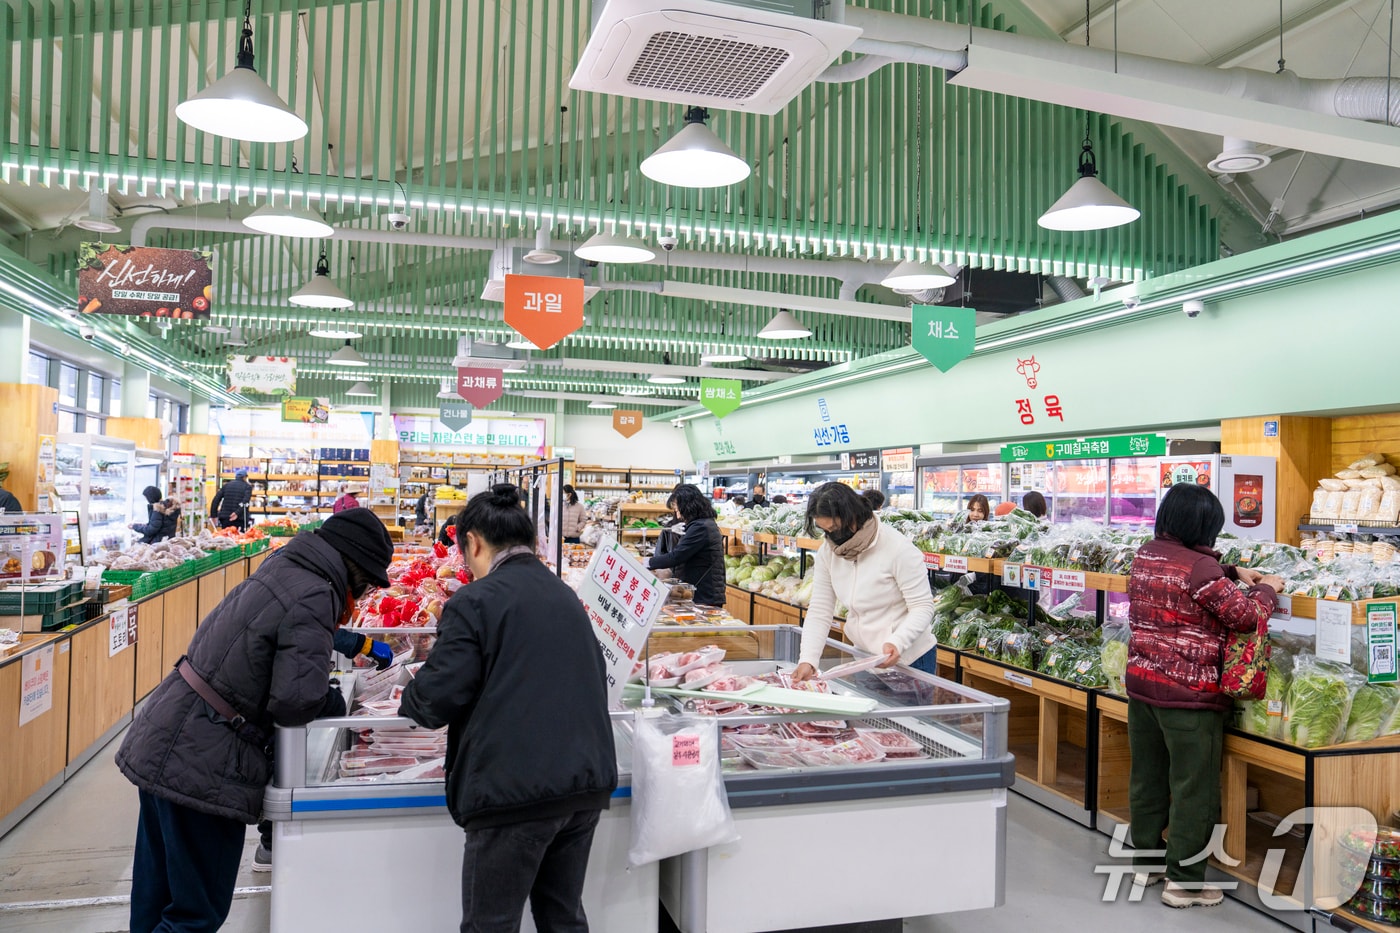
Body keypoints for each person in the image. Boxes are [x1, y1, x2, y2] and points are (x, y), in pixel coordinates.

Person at [117, 508, 394, 933]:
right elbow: (296, 699)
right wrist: (334, 703)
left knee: (156, 900)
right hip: (203, 761)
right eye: (370, 583)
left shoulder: (285, 565)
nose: (365, 594)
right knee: (194, 914)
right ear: (355, 569)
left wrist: (353, 646)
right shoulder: (317, 591)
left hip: (169, 736)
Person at [399, 485, 616, 933]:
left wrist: (408, 694)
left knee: (490, 924)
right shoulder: (564, 596)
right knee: (564, 918)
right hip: (584, 785)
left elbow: (434, 701)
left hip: (513, 792)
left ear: (473, 542)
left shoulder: (474, 602)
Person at [1125, 483, 1282, 908]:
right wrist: (1268, 586)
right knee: (1193, 788)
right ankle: (1185, 883)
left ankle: (1145, 864)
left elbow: (1192, 579)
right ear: (1201, 526)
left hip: (1142, 687)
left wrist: (1231, 571)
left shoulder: (1145, 554)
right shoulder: (1199, 568)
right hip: (1189, 697)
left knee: (1148, 779)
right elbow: (1246, 616)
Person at [793, 483, 936, 681]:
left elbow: (923, 607)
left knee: (906, 714)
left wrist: (898, 642)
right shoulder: (829, 551)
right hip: (864, 657)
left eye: (834, 528)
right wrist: (808, 659)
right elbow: (820, 610)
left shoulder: (898, 548)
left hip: (908, 659)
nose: (832, 537)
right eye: (825, 531)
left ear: (853, 516)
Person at [648, 484, 727, 607]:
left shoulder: (701, 527)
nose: (678, 516)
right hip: (700, 592)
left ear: (688, 506)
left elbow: (677, 556)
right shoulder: (702, 524)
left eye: (678, 510)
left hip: (704, 595)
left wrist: (647, 563)